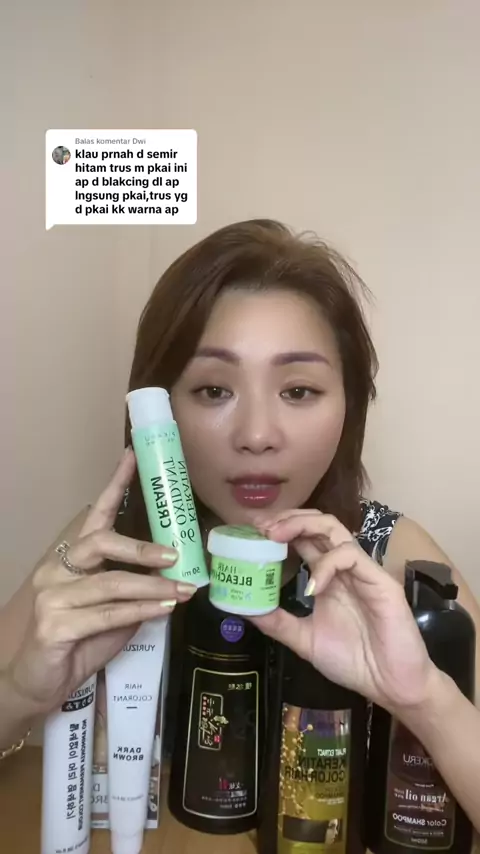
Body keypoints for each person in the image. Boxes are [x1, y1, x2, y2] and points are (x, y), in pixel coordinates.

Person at [0, 220, 479, 830]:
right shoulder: (106, 549)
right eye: (212, 390)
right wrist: (21, 694)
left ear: (350, 405)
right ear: (160, 408)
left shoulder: (396, 561)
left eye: (298, 391)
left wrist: (425, 700)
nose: (256, 436)